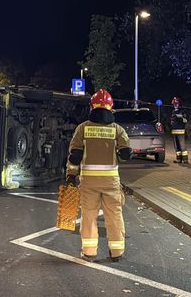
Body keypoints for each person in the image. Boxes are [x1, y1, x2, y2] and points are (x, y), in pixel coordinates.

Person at [66, 89, 132, 262]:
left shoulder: (82, 129)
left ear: (92, 107)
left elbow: (74, 156)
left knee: (89, 216)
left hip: (88, 182)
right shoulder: (118, 130)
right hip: (111, 181)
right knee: (114, 215)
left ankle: (89, 252)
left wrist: (71, 175)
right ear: (111, 107)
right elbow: (125, 153)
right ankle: (116, 252)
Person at [170, 96, 188, 164]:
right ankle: (178, 159)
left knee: (182, 146)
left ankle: (185, 160)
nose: (175, 105)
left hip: (180, 131)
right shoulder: (173, 111)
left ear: (179, 104)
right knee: (176, 147)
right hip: (174, 131)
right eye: (174, 104)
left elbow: (185, 120)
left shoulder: (182, 111)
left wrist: (180, 116)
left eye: (176, 104)